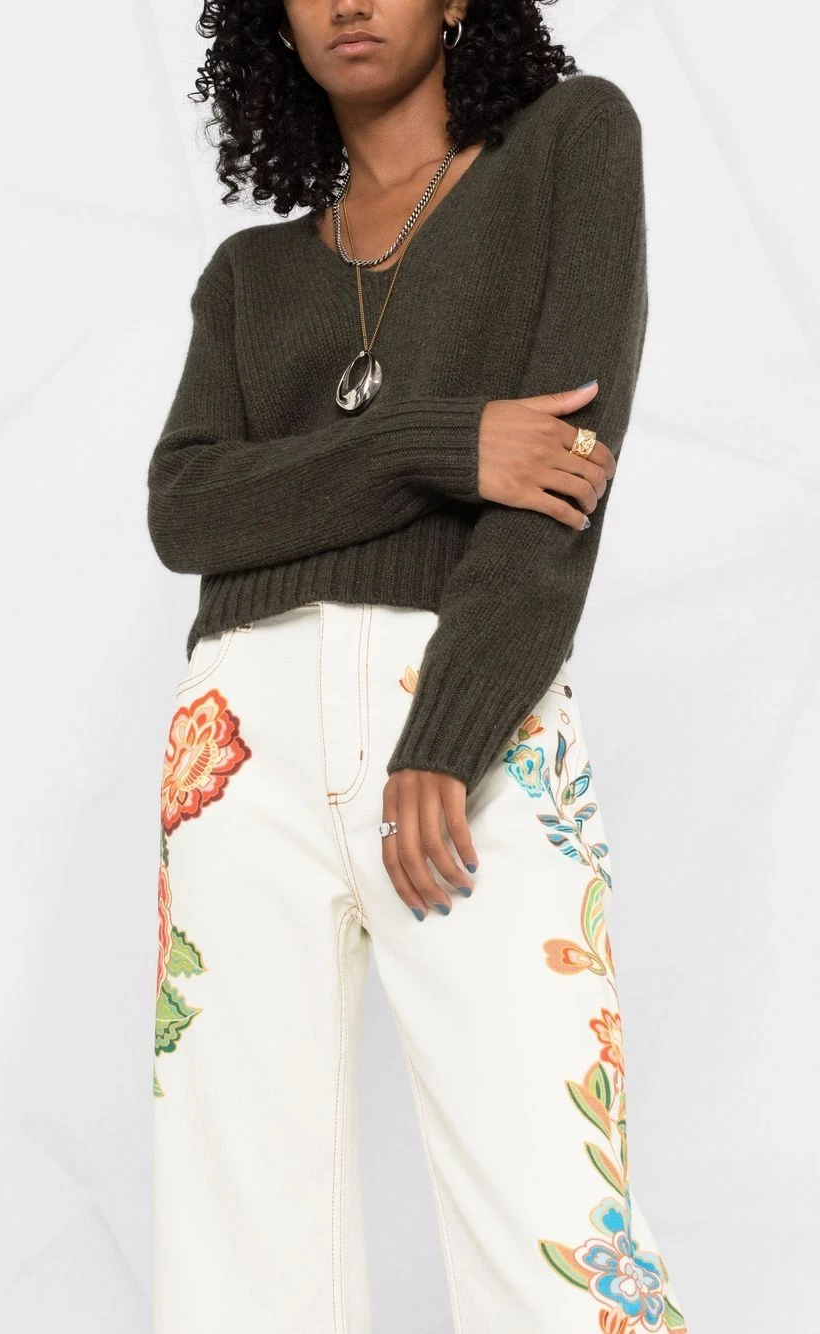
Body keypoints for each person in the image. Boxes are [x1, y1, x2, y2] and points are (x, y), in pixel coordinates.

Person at [147, 3, 691, 1331]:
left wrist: (449, 729)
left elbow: (562, 480)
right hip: (240, 746)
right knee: (237, 1240)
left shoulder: (570, 144)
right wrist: (437, 445)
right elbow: (186, 511)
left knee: (559, 1231)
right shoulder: (247, 277)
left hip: (464, 712)